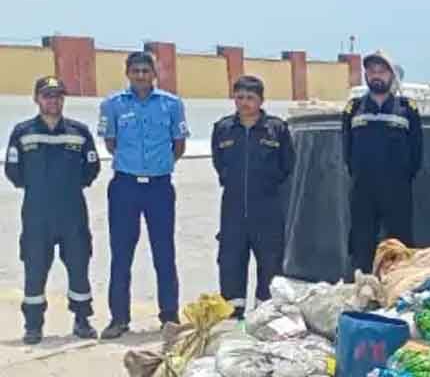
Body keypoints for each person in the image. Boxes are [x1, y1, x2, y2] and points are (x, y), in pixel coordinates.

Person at [98, 51, 190, 339]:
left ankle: (169, 316)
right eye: (135, 71)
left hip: (159, 187)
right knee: (121, 253)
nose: (140, 76)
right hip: (125, 186)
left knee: (164, 252)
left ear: (154, 73)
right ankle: (118, 318)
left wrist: (157, 167)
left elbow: (179, 145)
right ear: (127, 73)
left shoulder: (171, 104)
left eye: (145, 71)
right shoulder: (112, 104)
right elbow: (111, 143)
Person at [5, 77, 102, 344]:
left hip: (72, 213)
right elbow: (13, 171)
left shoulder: (79, 131)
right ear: (36, 99)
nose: (53, 101)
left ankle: (82, 320)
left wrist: (69, 187)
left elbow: (91, 168)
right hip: (37, 214)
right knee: (35, 269)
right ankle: (33, 325)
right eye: (48, 96)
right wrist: (39, 189)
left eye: (58, 96)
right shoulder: (22, 132)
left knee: (78, 266)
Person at [211, 75, 295, 318]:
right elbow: (220, 164)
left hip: (267, 209)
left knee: (270, 265)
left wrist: (267, 184)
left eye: (250, 98)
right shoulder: (223, 128)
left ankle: (264, 316)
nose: (244, 102)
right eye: (240, 97)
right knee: (230, 263)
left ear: (261, 100)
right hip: (233, 209)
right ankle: (232, 316)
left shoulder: (277, 129)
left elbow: (287, 166)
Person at [342, 49, 422, 275]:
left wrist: (400, 177)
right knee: (361, 241)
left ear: (391, 75)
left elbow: (417, 153)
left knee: (400, 242)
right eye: (372, 71)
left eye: (382, 71)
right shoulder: (354, 108)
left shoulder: (407, 109)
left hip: (397, 189)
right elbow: (347, 151)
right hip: (362, 189)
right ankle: (363, 289)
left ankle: (399, 286)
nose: (376, 75)